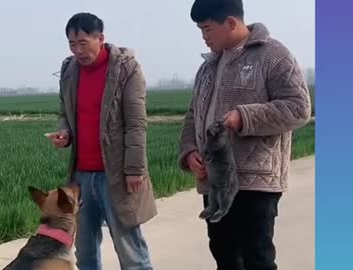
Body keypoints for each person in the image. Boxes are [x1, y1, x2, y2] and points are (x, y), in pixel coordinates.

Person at [178, 0, 311, 269]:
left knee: (256, 258)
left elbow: (299, 108)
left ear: (230, 22)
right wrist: (190, 151)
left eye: (207, 29)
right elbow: (194, 115)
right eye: (200, 31)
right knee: (223, 254)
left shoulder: (273, 56)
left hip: (255, 182)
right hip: (216, 181)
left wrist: (245, 116)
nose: (204, 37)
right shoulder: (208, 67)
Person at [47, 12, 156, 270]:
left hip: (116, 174)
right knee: (85, 251)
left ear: (101, 38)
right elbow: (66, 113)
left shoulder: (126, 69)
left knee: (130, 250)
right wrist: (65, 134)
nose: (78, 51)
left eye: (83, 43)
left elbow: (136, 123)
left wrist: (134, 169)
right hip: (81, 177)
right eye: (72, 44)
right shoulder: (69, 70)